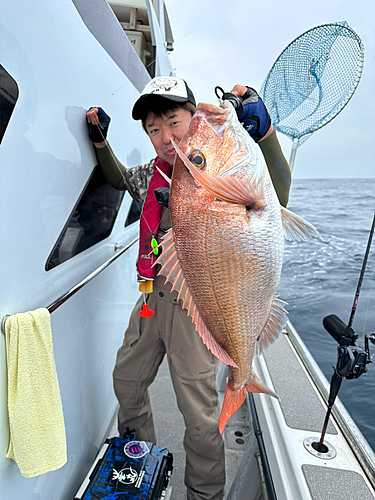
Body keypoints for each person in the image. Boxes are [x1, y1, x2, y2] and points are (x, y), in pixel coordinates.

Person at [85, 76, 291, 500]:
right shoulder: (150, 176)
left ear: (194, 117)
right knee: (126, 382)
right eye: (153, 129)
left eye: (174, 122)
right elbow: (118, 178)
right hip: (150, 300)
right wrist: (101, 143)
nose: (164, 137)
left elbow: (277, 196)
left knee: (199, 416)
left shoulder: (213, 169)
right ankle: (137, 459)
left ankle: (205, 494)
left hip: (197, 306)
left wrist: (265, 135)